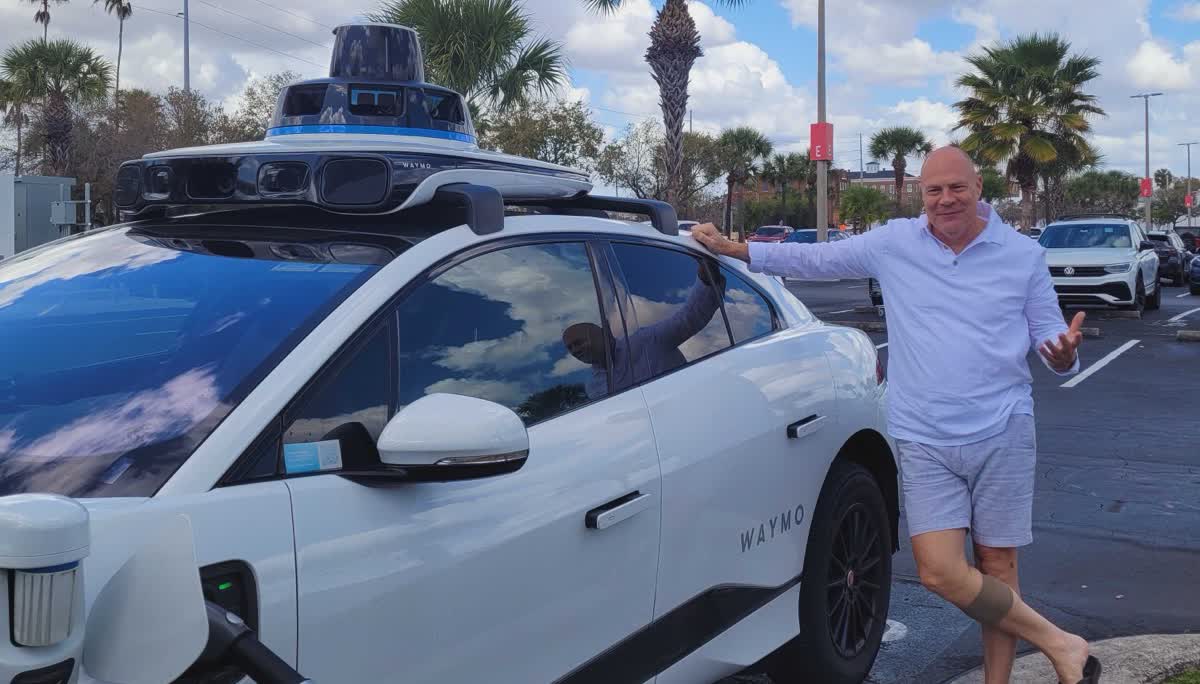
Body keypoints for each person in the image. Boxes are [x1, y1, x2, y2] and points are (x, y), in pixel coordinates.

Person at [689, 146, 1100, 684]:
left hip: (1002, 428)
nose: (946, 200)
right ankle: (1061, 642)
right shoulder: (895, 242)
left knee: (997, 569)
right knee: (938, 571)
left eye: (957, 187)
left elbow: (1049, 329)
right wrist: (736, 248)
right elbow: (814, 259)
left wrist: (1063, 353)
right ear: (921, 195)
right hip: (923, 434)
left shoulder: (1021, 254)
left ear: (979, 188)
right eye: (934, 191)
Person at [562, 263, 724, 400]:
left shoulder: (646, 340)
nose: (575, 350)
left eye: (579, 342)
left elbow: (688, 319)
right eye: (570, 348)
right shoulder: (592, 387)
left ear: (605, 333)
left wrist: (707, 276)